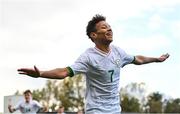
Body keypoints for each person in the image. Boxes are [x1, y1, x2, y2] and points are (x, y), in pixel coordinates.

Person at [17, 14, 169, 114]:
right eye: (104, 27)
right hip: (95, 110)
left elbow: (139, 59)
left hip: (115, 110)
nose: (109, 29)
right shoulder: (88, 57)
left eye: (109, 26)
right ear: (94, 35)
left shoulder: (118, 52)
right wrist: (41, 73)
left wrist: (157, 59)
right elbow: (64, 72)